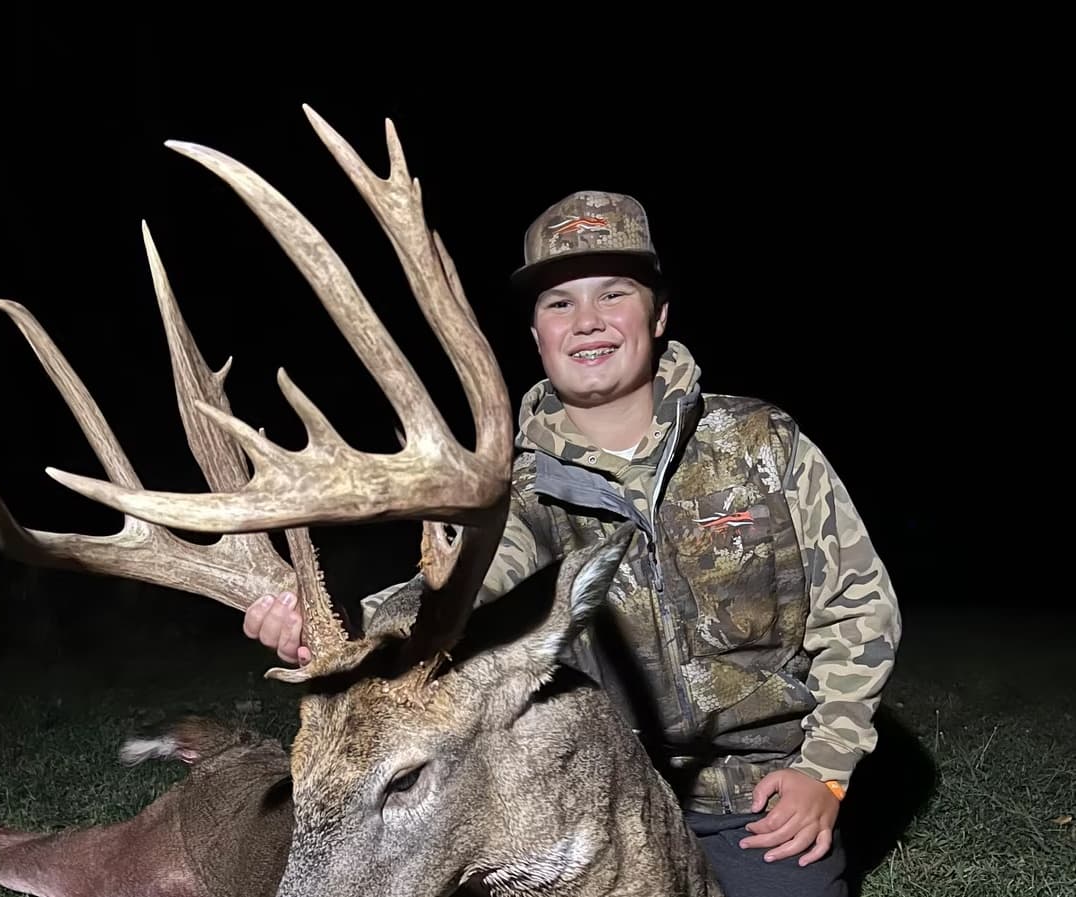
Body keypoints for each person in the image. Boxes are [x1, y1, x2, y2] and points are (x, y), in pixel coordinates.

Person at [243, 189, 902, 897]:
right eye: (559, 303)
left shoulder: (763, 444)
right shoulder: (512, 493)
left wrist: (824, 770)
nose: (587, 321)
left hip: (753, 792)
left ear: (658, 313)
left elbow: (860, 611)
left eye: (613, 293)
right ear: (535, 334)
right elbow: (470, 585)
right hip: (597, 781)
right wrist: (340, 633)